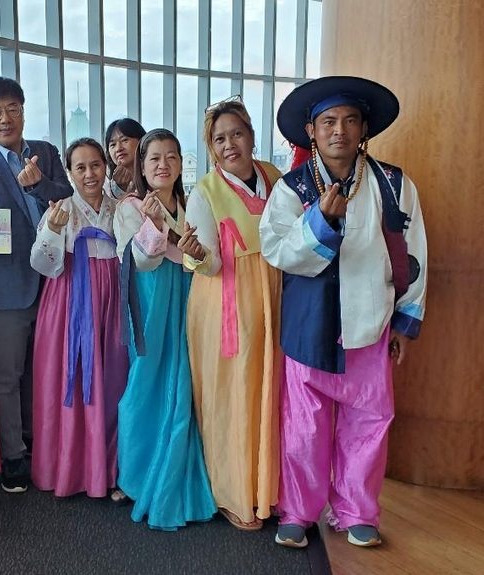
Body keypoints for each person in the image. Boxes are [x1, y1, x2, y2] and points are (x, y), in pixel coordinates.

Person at [260, 76, 429, 548]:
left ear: (364, 129)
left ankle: (357, 510)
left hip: (369, 325)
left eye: (350, 120)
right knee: (303, 428)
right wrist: (321, 221)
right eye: (329, 121)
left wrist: (404, 321)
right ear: (311, 131)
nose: (340, 131)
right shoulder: (292, 188)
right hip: (308, 328)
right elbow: (276, 250)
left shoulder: (394, 185)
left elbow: (413, 254)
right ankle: (298, 511)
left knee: (369, 423)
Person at [0, 77, 73, 493]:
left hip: (56, 283)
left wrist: (38, 185)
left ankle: (36, 438)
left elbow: (67, 197)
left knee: (44, 370)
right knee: (6, 376)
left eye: (12, 109)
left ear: (23, 111)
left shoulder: (45, 152)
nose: (5, 118)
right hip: (6, 286)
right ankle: (12, 455)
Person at [181, 96, 281, 531]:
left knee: (272, 389)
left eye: (237, 134)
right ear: (211, 147)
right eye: (219, 139)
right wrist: (196, 254)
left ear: (251, 136)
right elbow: (210, 264)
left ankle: (270, 489)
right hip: (227, 302)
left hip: (274, 295)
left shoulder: (274, 177)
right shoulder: (205, 192)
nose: (229, 145)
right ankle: (235, 493)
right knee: (234, 393)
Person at [113, 129, 216, 531]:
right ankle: (135, 474)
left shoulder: (192, 207)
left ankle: (174, 468)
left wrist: (196, 252)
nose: (163, 164)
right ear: (141, 166)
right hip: (150, 302)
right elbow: (140, 261)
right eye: (154, 157)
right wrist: (154, 225)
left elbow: (202, 257)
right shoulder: (130, 208)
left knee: (182, 382)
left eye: (171, 156)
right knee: (144, 383)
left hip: (187, 299)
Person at [29, 138, 128, 498]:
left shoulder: (120, 209)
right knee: (71, 380)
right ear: (69, 173)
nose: (89, 174)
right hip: (70, 301)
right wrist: (53, 231)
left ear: (106, 168)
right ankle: (72, 468)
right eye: (80, 167)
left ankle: (110, 467)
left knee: (112, 378)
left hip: (111, 301)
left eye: (95, 165)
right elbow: (42, 265)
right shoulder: (60, 210)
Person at [104, 118, 147, 199]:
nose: (118, 148)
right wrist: (118, 190)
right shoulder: (105, 187)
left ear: (141, 141)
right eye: (113, 145)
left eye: (124, 140)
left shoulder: (154, 176)